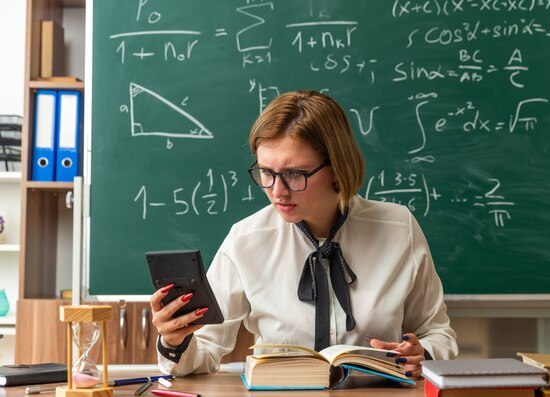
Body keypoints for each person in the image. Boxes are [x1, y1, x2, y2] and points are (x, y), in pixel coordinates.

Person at [150, 90, 458, 380]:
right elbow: (203, 352)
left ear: (338, 166)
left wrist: (423, 353)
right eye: (266, 172)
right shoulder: (246, 240)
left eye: (295, 174)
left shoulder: (398, 227)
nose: (277, 191)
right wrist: (175, 340)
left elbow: (437, 332)